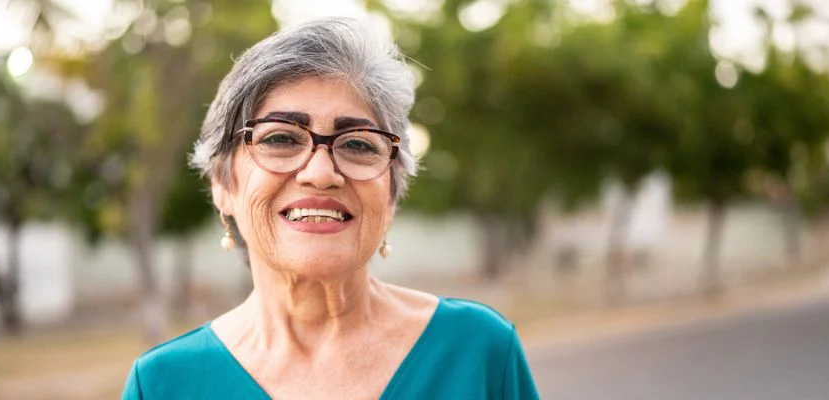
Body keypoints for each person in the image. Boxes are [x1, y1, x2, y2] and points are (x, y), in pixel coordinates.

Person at [121, 17, 539, 400]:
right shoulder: (162, 385)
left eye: (357, 143)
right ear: (222, 184)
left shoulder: (479, 352)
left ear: (392, 194)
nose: (321, 173)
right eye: (280, 138)